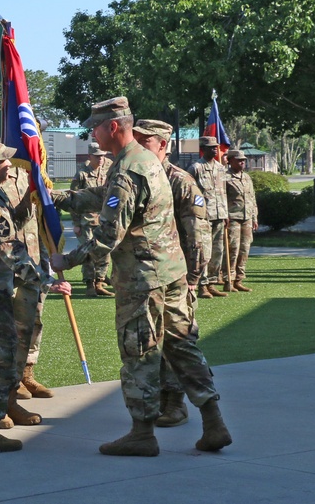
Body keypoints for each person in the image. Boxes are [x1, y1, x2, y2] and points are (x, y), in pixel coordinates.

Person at [50, 97, 231, 457]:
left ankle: (142, 432)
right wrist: (58, 198)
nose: (93, 133)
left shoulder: (128, 168)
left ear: (113, 127)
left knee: (140, 353)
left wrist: (66, 260)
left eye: (96, 127)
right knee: (182, 347)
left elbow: (108, 235)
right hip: (171, 273)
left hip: (143, 280)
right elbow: (104, 196)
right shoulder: (145, 161)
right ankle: (214, 423)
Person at [0, 136, 71, 453]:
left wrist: (26, 208)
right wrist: (48, 280)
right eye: (4, 160)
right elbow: (13, 253)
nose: (10, 164)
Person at [133, 119, 209, 427]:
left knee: (178, 342)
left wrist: (193, 279)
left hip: (177, 277)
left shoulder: (180, 180)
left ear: (162, 145)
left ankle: (177, 403)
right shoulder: (140, 175)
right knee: (153, 341)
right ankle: (161, 401)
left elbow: (198, 234)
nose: (138, 147)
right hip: (151, 276)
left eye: (145, 142)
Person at [0, 164, 54, 425]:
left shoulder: (31, 176)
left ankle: (25, 375)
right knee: (3, 333)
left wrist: (47, 262)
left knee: (32, 324)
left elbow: (39, 222)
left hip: (32, 262)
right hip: (5, 267)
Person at [68, 142, 114, 297]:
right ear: (90, 156)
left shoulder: (108, 170)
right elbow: (73, 199)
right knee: (88, 254)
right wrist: (76, 223)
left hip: (104, 220)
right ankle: (89, 284)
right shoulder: (81, 174)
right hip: (86, 221)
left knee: (104, 252)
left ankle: (99, 282)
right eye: (97, 156)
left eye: (102, 156)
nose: (100, 159)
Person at [189, 137, 229, 294]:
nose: (215, 150)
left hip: (220, 214)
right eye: (211, 147)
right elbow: (191, 192)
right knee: (204, 251)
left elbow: (223, 192)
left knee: (217, 250)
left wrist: (226, 213)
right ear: (202, 149)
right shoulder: (196, 168)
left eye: (216, 147)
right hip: (204, 216)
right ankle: (203, 284)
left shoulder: (220, 168)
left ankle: (212, 281)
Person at [224, 149, 257, 292]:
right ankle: (228, 280)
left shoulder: (247, 177)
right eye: (239, 160)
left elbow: (252, 199)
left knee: (245, 249)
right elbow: (221, 199)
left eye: (243, 160)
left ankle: (239, 279)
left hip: (247, 218)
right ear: (230, 161)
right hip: (233, 218)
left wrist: (255, 217)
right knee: (233, 249)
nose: (242, 162)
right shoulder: (225, 177)